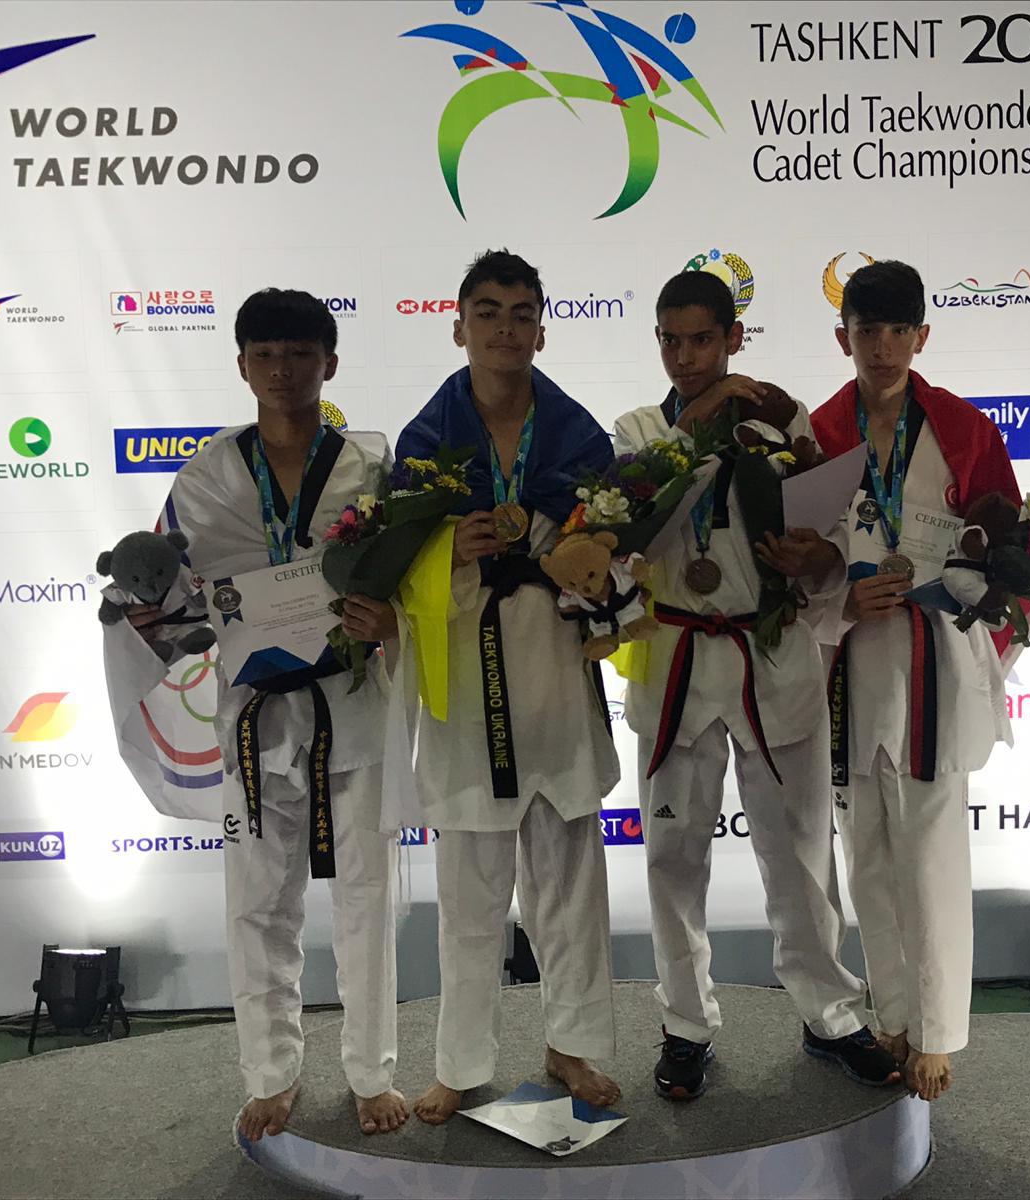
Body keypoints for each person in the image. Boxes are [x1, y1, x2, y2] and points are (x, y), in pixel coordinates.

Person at [103, 289, 406, 1140]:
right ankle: (271, 1074)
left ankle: (372, 1071)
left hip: (351, 702)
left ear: (329, 363)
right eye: (265, 354)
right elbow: (174, 599)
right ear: (241, 365)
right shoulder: (204, 480)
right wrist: (143, 618)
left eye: (300, 353)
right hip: (255, 714)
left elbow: (410, 581)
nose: (283, 370)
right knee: (258, 904)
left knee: (367, 897)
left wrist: (391, 621)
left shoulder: (369, 468)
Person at [615, 268, 901, 1101]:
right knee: (672, 856)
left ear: (734, 338)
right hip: (676, 655)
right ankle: (684, 1023)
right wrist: (703, 417)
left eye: (702, 340)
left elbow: (835, 528)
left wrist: (819, 557)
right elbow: (627, 520)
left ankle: (829, 1013)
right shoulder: (639, 429)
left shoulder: (783, 418)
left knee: (800, 851)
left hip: (768, 649)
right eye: (671, 341)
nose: (685, 356)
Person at [396, 250, 622, 1124]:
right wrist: (448, 547)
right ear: (458, 326)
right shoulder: (426, 441)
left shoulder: (577, 435)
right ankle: (460, 1064)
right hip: (466, 681)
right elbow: (392, 561)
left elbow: (618, 551)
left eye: (522, 313)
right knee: (470, 896)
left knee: (571, 886)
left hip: (555, 673)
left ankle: (575, 1046)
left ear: (541, 329)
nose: (504, 328)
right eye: (487, 312)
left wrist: (583, 552)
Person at [808, 259, 1026, 1101]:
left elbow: (1010, 555)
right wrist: (841, 599)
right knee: (865, 848)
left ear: (922, 336)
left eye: (900, 330)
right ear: (844, 338)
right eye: (868, 330)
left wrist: (971, 607)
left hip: (935, 657)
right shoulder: (820, 431)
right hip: (852, 655)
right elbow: (794, 558)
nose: (884, 346)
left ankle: (937, 1032)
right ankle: (892, 1012)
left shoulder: (965, 429)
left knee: (931, 850)